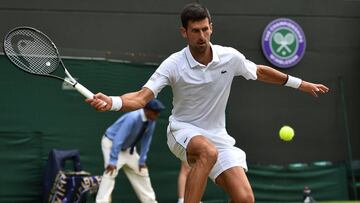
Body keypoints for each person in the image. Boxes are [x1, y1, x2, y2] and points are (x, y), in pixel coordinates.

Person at [87, 3, 329, 203]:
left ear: (211, 28)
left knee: (245, 199)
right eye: (195, 31)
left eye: (205, 29)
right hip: (182, 131)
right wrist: (113, 102)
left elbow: (260, 72)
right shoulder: (173, 64)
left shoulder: (229, 57)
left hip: (218, 137)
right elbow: (141, 98)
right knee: (207, 151)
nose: (201, 36)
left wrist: (301, 84)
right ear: (184, 32)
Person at [96, 99, 165, 203]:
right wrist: (113, 160)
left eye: (158, 112)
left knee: (141, 171)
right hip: (111, 144)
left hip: (128, 149)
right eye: (155, 112)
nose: (157, 114)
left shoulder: (151, 121)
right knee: (111, 171)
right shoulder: (132, 117)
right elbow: (118, 139)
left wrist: (142, 160)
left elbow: (146, 140)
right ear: (147, 110)